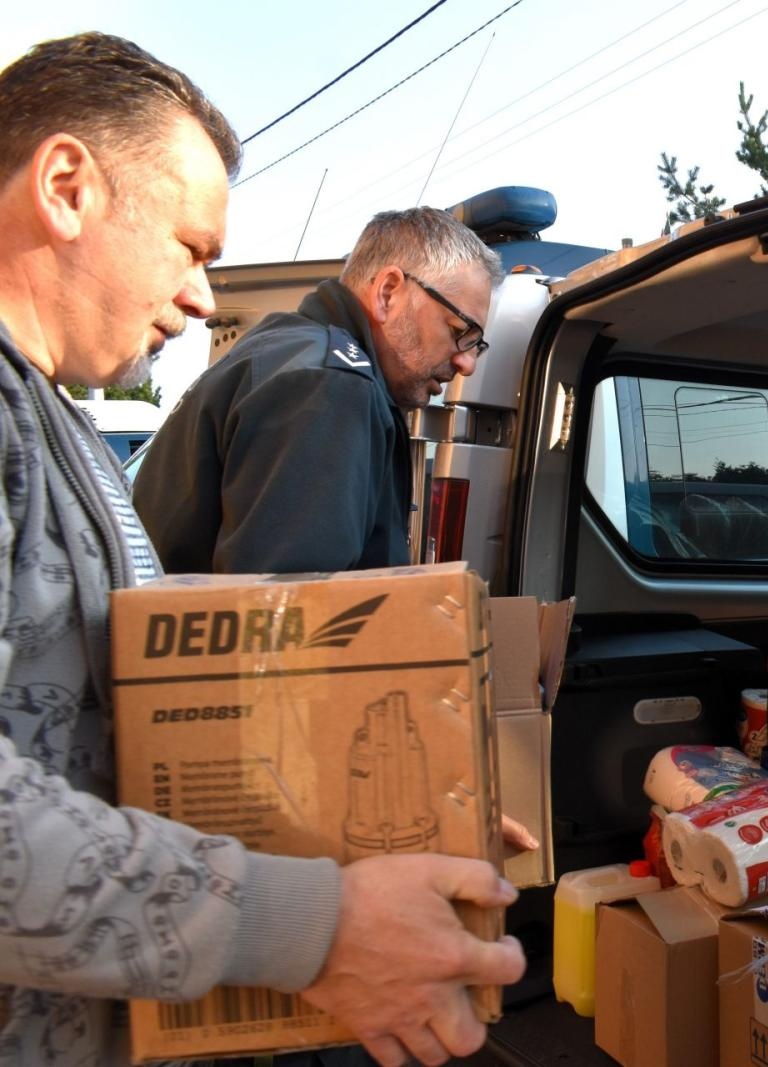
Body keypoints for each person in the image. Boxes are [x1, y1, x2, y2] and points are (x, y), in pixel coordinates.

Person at [0, 33, 522, 1067]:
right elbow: (293, 659)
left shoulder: (49, 412)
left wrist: (400, 813)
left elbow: (154, 685)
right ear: (66, 185)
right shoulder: (327, 380)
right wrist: (313, 917)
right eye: (192, 247)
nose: (202, 298)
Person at [134, 206, 502, 575]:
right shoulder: (328, 387)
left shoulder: (290, 352)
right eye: (459, 332)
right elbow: (291, 615)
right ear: (388, 293)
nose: (466, 364)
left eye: (476, 346)